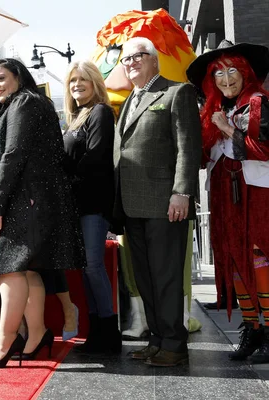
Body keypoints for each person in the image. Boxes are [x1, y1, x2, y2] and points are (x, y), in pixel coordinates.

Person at [0, 58, 85, 368]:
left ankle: (5, 341)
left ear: (19, 77)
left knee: (9, 269)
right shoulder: (20, 105)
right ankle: (37, 334)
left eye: (1, 78)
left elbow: (14, 154)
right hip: (29, 198)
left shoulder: (23, 101)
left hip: (23, 200)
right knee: (29, 269)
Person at [114, 37, 201, 367]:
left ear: (154, 60)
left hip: (166, 205)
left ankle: (175, 345)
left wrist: (182, 192)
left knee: (165, 276)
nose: (131, 62)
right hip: (132, 205)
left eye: (138, 56)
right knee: (147, 277)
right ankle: (158, 339)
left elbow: (187, 149)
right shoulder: (128, 101)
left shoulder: (177, 92)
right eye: (126, 59)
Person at [186, 40, 269, 364]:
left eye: (232, 70)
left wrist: (225, 128)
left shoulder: (258, 103)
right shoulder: (218, 110)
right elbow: (205, 156)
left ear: (245, 72)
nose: (226, 78)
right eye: (218, 72)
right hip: (224, 197)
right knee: (235, 261)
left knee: (259, 255)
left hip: (257, 194)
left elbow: (263, 150)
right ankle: (252, 329)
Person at [62, 60, 122, 353]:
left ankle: (109, 331)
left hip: (93, 203)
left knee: (94, 266)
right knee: (86, 268)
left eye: (83, 80)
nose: (77, 86)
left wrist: (66, 182)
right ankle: (97, 330)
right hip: (77, 204)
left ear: (95, 83)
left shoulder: (99, 111)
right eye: (73, 81)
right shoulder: (76, 117)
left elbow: (96, 157)